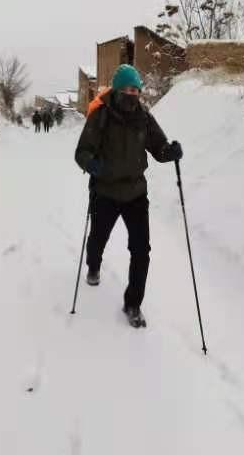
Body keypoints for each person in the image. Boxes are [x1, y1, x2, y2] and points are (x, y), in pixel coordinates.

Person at [74, 64, 183, 328]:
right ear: (117, 88)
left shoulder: (143, 117)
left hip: (135, 193)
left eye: (136, 89)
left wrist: (170, 152)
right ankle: (93, 265)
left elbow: (159, 147)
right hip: (106, 191)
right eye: (127, 89)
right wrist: (93, 165)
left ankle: (133, 304)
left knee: (141, 251)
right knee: (98, 237)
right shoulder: (100, 116)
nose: (132, 94)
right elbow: (82, 152)